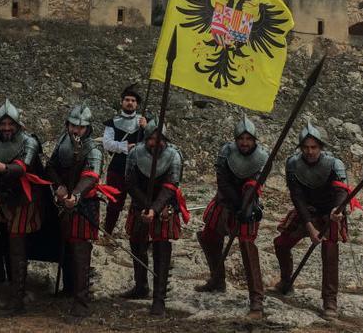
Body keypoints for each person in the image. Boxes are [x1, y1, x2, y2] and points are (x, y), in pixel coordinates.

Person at [272, 120, 356, 319]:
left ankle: (329, 301)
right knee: (281, 243)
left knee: (329, 252)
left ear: (321, 147)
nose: (310, 151)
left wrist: (338, 209)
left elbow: (341, 191)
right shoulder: (293, 164)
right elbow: (297, 197)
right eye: (306, 147)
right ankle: (286, 280)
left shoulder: (334, 164)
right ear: (301, 148)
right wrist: (309, 227)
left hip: (330, 214)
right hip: (307, 212)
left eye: (314, 147)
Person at [0, 99, 50, 314]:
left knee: (16, 245)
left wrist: (2, 167)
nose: (7, 128)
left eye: (10, 124)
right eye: (3, 124)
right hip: (2, 197)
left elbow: (22, 168)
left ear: (18, 124)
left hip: (24, 200)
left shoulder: (29, 142)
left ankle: (17, 299)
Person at [196, 116, 267, 319]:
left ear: (254, 140)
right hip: (226, 201)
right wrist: (235, 204)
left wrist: (244, 207)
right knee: (209, 236)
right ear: (236, 139)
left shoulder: (262, 157)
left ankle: (256, 300)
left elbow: (254, 184)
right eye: (241, 138)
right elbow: (223, 181)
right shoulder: (226, 152)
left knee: (246, 244)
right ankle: (217, 280)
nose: (244, 142)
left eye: (248, 138)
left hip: (248, 205)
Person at [45, 105, 111, 318]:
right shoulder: (63, 141)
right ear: (67, 124)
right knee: (65, 245)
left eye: (81, 127)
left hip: (85, 205)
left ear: (88, 128)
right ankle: (69, 289)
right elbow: (51, 166)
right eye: (74, 125)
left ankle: (81, 302)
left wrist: (76, 194)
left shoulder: (94, 148)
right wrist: (59, 186)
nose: (77, 130)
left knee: (81, 252)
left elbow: (92, 175)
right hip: (66, 202)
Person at [122, 121, 188, 316]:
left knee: (161, 246)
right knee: (136, 241)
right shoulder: (135, 153)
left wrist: (155, 209)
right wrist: (145, 206)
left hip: (163, 205)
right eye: (151, 138)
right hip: (141, 202)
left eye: (158, 138)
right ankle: (140, 285)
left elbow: (171, 185)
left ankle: (159, 299)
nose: (154, 142)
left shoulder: (174, 155)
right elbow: (130, 183)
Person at [101, 85, 147, 233]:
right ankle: (108, 232)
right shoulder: (112, 122)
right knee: (114, 202)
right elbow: (107, 143)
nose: (130, 102)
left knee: (140, 202)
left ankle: (136, 232)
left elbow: (153, 142)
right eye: (127, 99)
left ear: (137, 104)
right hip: (118, 167)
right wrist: (125, 147)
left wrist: (146, 128)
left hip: (139, 168)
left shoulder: (144, 121)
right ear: (122, 102)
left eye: (133, 100)